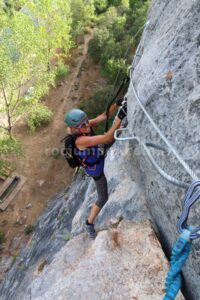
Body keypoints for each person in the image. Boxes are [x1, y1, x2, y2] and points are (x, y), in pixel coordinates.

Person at [64, 99, 127, 238]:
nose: (87, 125)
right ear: (75, 129)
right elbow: (106, 138)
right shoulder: (79, 140)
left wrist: (117, 104)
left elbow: (103, 116)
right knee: (103, 197)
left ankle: (124, 125)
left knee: (118, 131)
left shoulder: (83, 127)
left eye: (86, 121)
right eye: (83, 124)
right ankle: (88, 223)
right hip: (95, 169)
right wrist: (120, 116)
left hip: (98, 153)